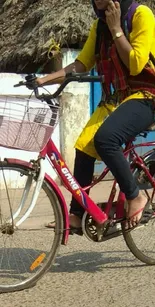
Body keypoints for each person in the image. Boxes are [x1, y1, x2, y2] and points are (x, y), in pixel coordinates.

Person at [36, 0, 155, 233]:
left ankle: (135, 196)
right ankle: (78, 215)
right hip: (118, 98)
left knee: (105, 139)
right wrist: (45, 79)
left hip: (147, 95)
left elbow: (135, 64)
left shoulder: (141, 15)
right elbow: (82, 64)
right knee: (84, 147)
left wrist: (117, 30)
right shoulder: (98, 26)